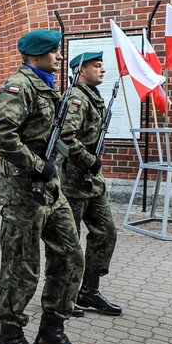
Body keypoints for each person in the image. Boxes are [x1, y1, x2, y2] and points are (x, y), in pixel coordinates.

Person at [0, 29, 91, 344]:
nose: (59, 57)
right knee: (22, 266)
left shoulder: (49, 86)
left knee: (71, 255)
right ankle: (11, 337)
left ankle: (51, 331)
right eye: (54, 52)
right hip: (23, 191)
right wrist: (36, 164)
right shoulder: (19, 87)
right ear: (36, 56)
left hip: (50, 188)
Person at [60, 52, 121, 316]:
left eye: (102, 66)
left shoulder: (93, 97)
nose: (103, 70)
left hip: (92, 181)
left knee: (106, 232)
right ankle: (63, 296)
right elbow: (64, 136)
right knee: (68, 242)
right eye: (97, 66)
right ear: (81, 71)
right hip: (74, 180)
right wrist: (87, 159)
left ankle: (89, 290)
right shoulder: (76, 98)